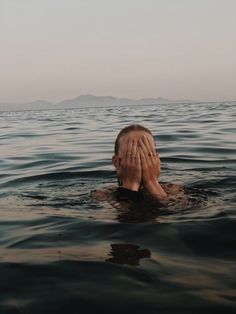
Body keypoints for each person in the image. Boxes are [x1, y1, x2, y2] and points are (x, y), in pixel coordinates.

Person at [91, 124, 187, 208]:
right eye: (132, 156)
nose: (139, 161)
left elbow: (178, 214)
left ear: (157, 160)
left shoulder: (173, 189)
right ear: (116, 162)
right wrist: (130, 185)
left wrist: (152, 183)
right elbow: (122, 222)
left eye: (146, 156)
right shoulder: (102, 195)